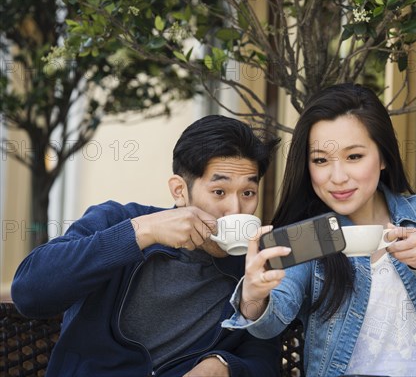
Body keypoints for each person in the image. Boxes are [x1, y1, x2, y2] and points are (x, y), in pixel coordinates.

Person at [223, 83, 416, 377]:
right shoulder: (307, 234)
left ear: (382, 157)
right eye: (320, 160)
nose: (338, 177)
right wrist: (253, 296)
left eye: (354, 157)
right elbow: (271, 322)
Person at [11, 115, 281, 377]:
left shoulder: (250, 267)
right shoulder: (117, 221)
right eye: (219, 192)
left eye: (248, 193)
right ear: (179, 191)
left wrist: (223, 366)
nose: (234, 210)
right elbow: (29, 293)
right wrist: (141, 232)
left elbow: (264, 359)